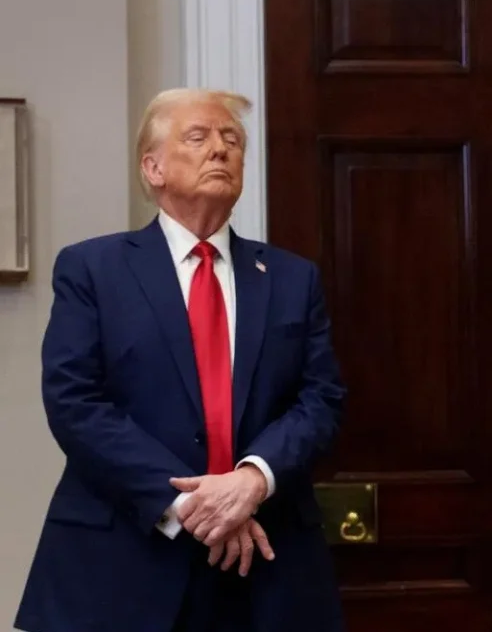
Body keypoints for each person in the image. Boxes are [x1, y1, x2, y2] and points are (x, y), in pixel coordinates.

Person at [15, 88, 346, 632]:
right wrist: (194, 506)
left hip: (267, 567)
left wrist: (251, 480)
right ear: (154, 168)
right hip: (123, 563)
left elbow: (321, 399)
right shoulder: (92, 269)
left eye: (232, 140)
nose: (221, 150)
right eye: (199, 137)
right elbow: (75, 402)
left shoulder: (292, 278)